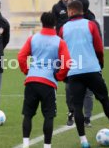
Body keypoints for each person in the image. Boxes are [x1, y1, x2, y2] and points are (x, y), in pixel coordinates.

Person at [59, 0, 109, 148]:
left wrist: (64, 72)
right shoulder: (91, 25)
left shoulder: (63, 29)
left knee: (77, 107)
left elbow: (61, 52)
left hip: (74, 72)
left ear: (70, 12)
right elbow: (99, 47)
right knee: (104, 100)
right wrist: (100, 63)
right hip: (92, 69)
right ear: (82, 11)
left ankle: (84, 141)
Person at [18, 12, 71, 148]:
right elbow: (67, 63)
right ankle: (47, 146)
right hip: (48, 82)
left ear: (42, 22)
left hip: (31, 81)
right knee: (49, 116)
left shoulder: (33, 38)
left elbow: (21, 56)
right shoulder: (60, 42)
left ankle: (25, 144)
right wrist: (59, 76)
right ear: (54, 24)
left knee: (28, 115)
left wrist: (27, 71)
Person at [52, 0, 93, 127]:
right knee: (69, 88)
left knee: (88, 90)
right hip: (70, 57)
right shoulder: (62, 21)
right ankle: (71, 112)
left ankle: (87, 117)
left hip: (87, 59)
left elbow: (96, 41)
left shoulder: (90, 20)